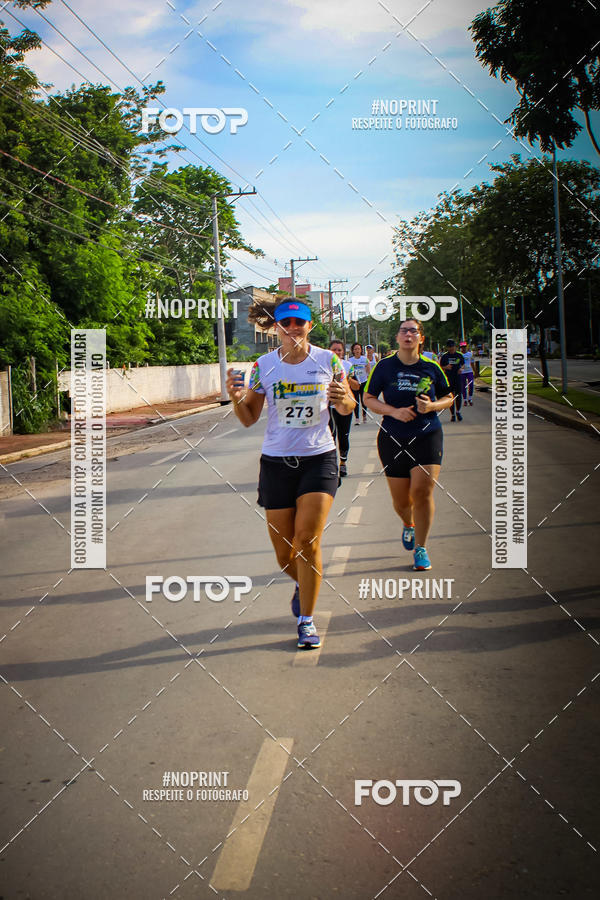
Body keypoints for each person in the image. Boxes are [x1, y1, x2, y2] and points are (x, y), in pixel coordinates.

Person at [226, 298, 355, 649]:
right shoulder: (263, 366)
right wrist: (237, 397)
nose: (293, 329)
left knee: (307, 542)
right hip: (277, 463)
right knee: (285, 555)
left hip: (319, 458)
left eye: (300, 323)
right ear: (276, 328)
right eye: (286, 323)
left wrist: (343, 397)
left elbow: (347, 405)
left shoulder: (329, 360)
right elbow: (249, 417)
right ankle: (303, 582)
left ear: (310, 326)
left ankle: (306, 621)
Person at [363, 319, 455, 570]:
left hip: (427, 435)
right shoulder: (384, 367)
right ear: (397, 338)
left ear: (421, 338)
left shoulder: (431, 367)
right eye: (404, 330)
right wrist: (392, 412)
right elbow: (368, 398)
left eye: (413, 331)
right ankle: (408, 524)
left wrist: (433, 406)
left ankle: (421, 549)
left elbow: (448, 396)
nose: (408, 334)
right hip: (392, 437)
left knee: (422, 492)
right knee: (402, 502)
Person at [328, 339, 355, 480]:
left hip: (344, 405)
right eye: (334, 349)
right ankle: (331, 465)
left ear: (343, 352)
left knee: (343, 435)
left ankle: (343, 462)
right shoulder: (324, 364)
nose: (337, 352)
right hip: (329, 407)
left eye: (339, 350)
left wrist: (347, 379)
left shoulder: (348, 365)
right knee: (330, 436)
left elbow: (356, 386)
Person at [439, 339, 465, 422]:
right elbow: (440, 366)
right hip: (449, 378)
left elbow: (463, 364)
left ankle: (458, 411)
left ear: (455, 346)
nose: (451, 348)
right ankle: (452, 414)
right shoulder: (445, 356)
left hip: (457, 377)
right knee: (451, 396)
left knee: (458, 395)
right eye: (450, 347)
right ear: (447, 347)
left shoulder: (459, 355)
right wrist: (445, 367)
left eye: (453, 346)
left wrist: (461, 368)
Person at [349, 342, 370, 424]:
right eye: (355, 349)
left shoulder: (364, 359)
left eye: (358, 349)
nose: (357, 351)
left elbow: (368, 371)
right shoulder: (350, 360)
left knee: (363, 400)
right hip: (355, 382)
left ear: (361, 350)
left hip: (364, 381)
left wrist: (367, 379)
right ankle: (357, 418)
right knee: (356, 400)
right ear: (353, 351)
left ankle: (364, 415)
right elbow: (349, 372)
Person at [459, 341, 474, 405]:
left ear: (466, 347)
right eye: (462, 347)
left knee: (471, 385)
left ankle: (470, 398)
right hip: (462, 372)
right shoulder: (459, 355)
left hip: (469, 371)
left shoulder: (470, 354)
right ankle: (465, 399)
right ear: (460, 348)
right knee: (463, 386)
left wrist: (475, 371)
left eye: (464, 347)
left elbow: (472, 363)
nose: (463, 348)